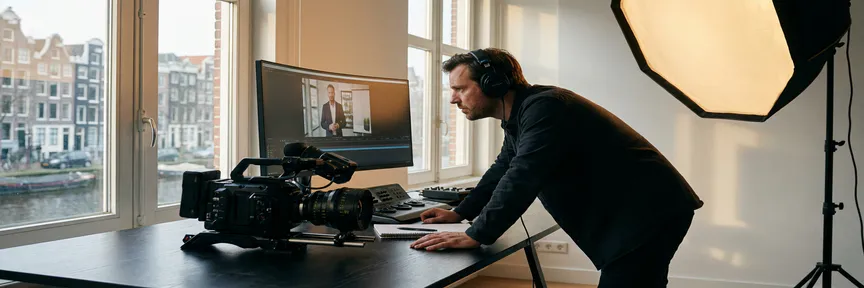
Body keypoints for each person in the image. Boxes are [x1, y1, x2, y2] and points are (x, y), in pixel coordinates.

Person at [409, 48, 704, 287]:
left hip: (647, 213)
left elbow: (523, 176)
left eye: (460, 88)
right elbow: (504, 168)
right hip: (644, 211)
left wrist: (477, 234)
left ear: (494, 83)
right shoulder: (523, 115)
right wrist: (461, 213)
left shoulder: (546, 109)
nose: (453, 99)